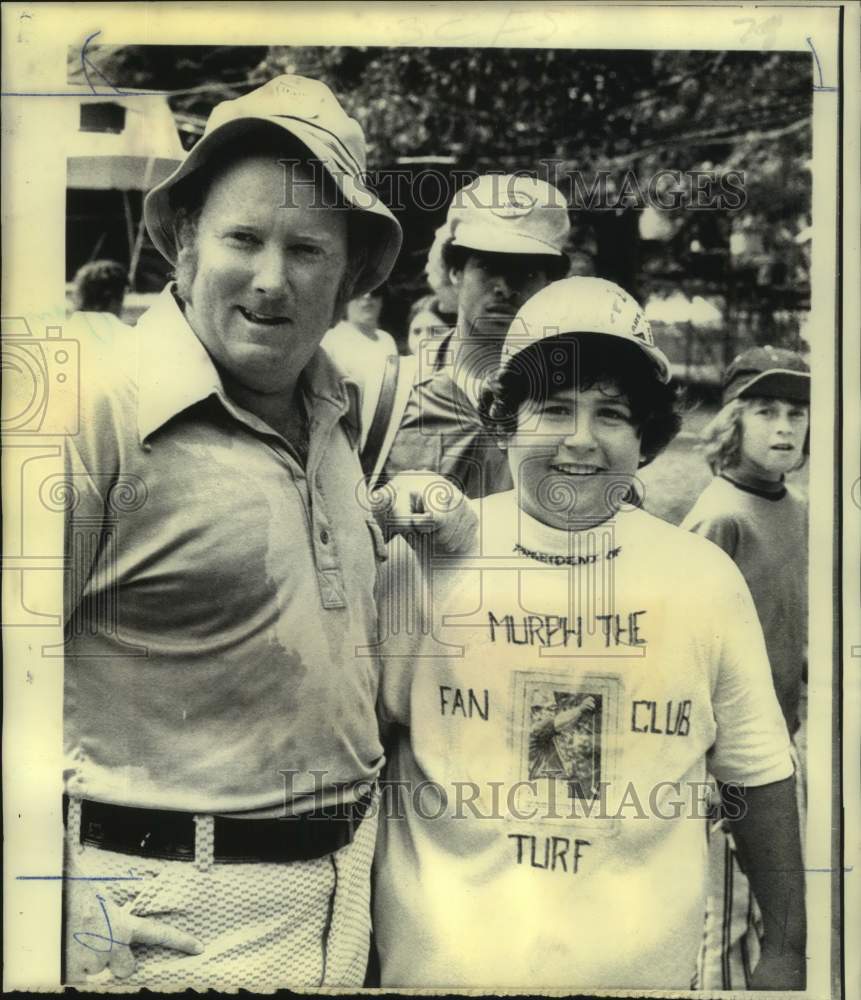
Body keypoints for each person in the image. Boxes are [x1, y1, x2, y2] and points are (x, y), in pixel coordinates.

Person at [60, 74, 475, 992]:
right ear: (182, 246)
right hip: (157, 927)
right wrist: (33, 910)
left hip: (342, 909)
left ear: (350, 276)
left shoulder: (338, 412)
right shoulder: (97, 415)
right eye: (242, 238)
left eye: (308, 249)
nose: (271, 278)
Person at [373, 277, 805, 990]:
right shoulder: (423, 558)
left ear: (645, 437)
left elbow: (756, 775)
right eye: (552, 409)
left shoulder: (700, 578)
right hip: (435, 975)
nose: (580, 439)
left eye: (610, 413)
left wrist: (787, 949)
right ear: (507, 422)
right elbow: (356, 756)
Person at [682, 346, 810, 990]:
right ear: (732, 421)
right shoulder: (720, 514)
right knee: (723, 918)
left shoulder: (801, 508)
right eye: (765, 412)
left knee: (776, 914)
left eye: (796, 412)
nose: (785, 428)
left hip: (780, 739)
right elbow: (686, 642)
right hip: (723, 757)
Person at [374, 173, 571, 499]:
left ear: (547, 283)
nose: (505, 288)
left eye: (527, 271)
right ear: (455, 271)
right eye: (489, 266)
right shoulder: (389, 393)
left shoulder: (571, 401)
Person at [321, 287, 398, 376]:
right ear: (345, 300)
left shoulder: (387, 339)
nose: (367, 296)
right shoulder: (330, 338)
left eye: (375, 291)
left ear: (382, 301)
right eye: (359, 292)